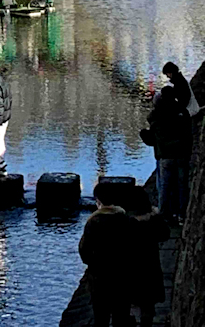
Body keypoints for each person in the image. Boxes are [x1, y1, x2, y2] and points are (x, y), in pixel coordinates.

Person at [78, 181, 137, 327]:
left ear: (98, 200)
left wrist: (93, 264)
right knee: (121, 314)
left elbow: (84, 250)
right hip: (123, 275)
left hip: (100, 276)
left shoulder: (94, 221)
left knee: (101, 316)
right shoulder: (126, 219)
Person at [145, 85, 191, 223]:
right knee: (182, 185)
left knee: (164, 186)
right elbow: (188, 133)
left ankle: (165, 214)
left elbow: (154, 135)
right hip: (182, 154)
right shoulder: (182, 111)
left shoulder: (158, 114)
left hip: (165, 155)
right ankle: (181, 214)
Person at [130, 187, 170, 327]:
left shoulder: (127, 223)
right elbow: (165, 234)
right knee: (148, 305)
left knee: (129, 301)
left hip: (130, 268)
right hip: (150, 266)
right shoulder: (153, 220)